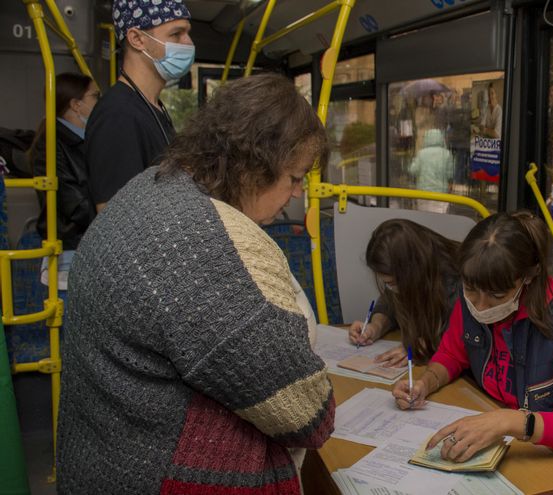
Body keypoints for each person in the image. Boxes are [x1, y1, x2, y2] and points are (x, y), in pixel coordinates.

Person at [57, 74, 335, 493]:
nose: (296, 194)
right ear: (253, 166)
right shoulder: (208, 246)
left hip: (104, 457)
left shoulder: (149, 187)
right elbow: (308, 417)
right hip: (154, 475)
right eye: (294, 178)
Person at [391, 211, 553, 478]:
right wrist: (425, 383)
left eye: (497, 295)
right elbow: (452, 353)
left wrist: (511, 421)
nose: (480, 306)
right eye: (470, 289)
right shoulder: (471, 299)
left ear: (528, 277)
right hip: (513, 450)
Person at [86, 0, 195, 212]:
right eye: (176, 34)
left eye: (187, 33)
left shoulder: (153, 106)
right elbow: (116, 217)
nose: (188, 43)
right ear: (137, 39)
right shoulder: (117, 115)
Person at [349, 219, 460, 367]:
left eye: (392, 283)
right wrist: (375, 326)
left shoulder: (460, 281)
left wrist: (421, 347)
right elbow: (389, 302)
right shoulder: (411, 272)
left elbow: (459, 338)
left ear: (413, 271)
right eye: (387, 284)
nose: (391, 289)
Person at [27, 73, 99, 252]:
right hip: (71, 246)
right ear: (76, 105)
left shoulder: (85, 140)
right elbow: (73, 204)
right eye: (95, 96)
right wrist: (114, 215)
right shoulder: (51, 144)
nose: (100, 102)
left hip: (88, 241)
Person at [409, 128, 454, 213]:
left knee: (424, 216)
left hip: (423, 192)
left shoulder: (421, 153)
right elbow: (450, 174)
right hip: (441, 193)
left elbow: (413, 170)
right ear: (441, 138)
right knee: (439, 216)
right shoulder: (446, 154)